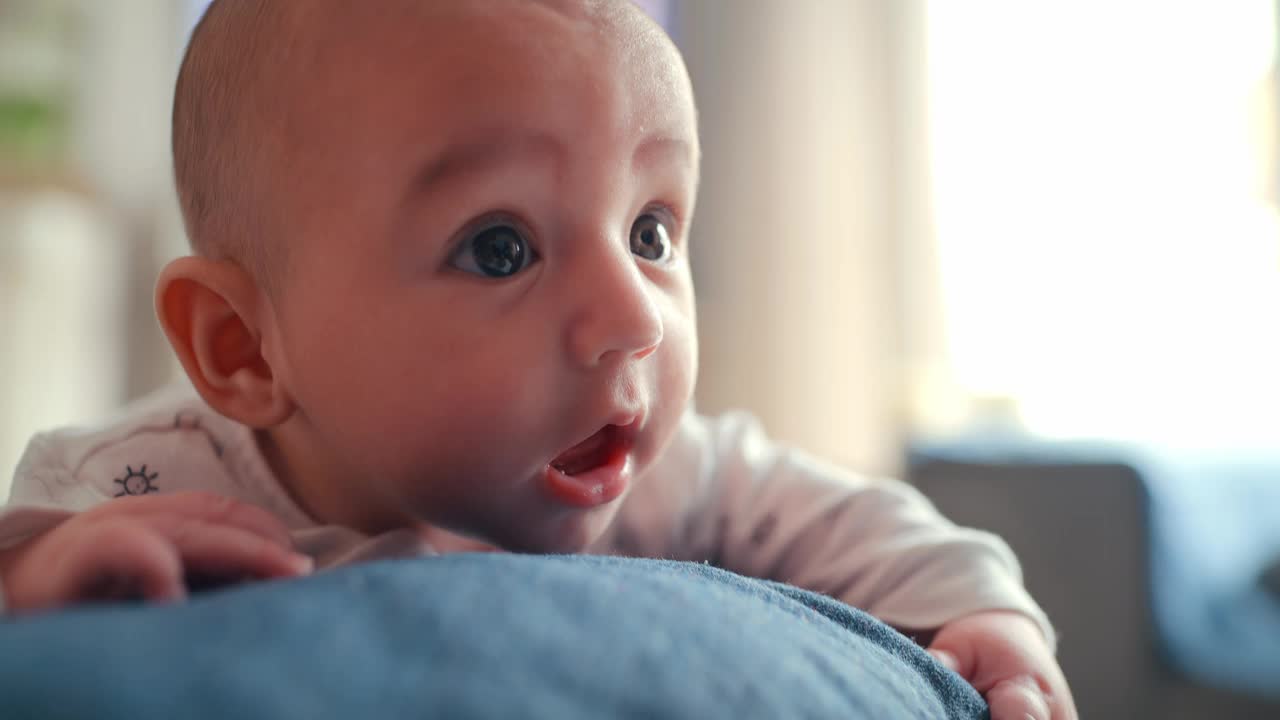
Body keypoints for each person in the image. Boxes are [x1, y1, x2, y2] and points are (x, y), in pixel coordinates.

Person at [0, 2, 1076, 718]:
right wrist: (44, 575)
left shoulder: (651, 465)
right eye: (499, 247)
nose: (629, 318)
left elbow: (841, 516)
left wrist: (978, 612)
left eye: (650, 231)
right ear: (242, 347)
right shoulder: (136, 483)